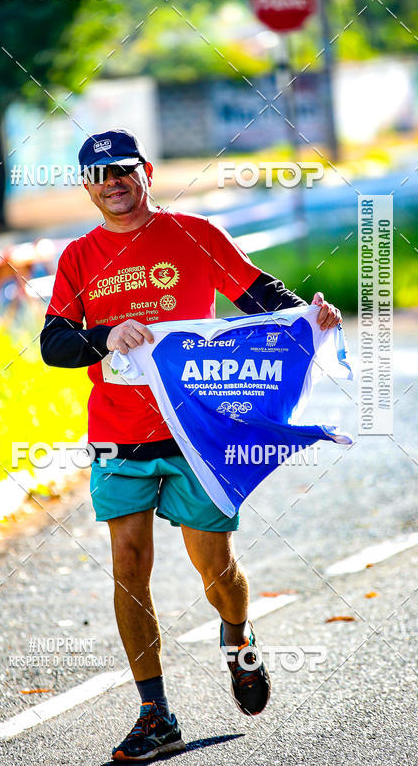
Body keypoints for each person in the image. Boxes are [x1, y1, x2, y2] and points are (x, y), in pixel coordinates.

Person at [40, 128, 342, 762]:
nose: (112, 182)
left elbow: (261, 296)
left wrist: (309, 317)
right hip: (117, 432)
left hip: (197, 432)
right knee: (128, 569)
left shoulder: (194, 235)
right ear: (87, 186)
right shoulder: (78, 258)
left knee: (217, 571)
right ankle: (155, 714)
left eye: (123, 169)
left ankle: (238, 635)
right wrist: (105, 335)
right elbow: (54, 346)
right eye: (98, 175)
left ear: (145, 170)